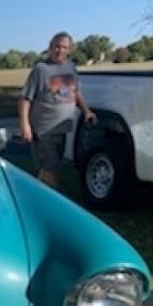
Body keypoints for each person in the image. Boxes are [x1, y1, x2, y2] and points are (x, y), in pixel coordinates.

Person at [19, 32, 96, 189]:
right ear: (50, 47)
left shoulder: (70, 67)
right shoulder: (41, 70)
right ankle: (53, 199)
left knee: (48, 169)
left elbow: (75, 92)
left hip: (61, 129)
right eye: (57, 46)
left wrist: (86, 111)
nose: (60, 50)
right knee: (50, 170)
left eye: (64, 47)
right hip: (44, 131)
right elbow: (25, 99)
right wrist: (24, 125)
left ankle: (38, 195)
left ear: (69, 50)